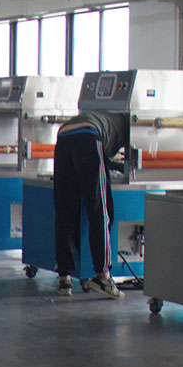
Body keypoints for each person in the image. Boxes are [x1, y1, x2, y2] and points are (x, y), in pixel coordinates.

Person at [53, 111, 129, 299]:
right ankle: (103, 276)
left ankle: (64, 278)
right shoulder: (129, 126)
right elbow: (108, 158)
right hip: (88, 134)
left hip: (63, 135)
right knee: (100, 208)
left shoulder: (108, 117)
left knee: (64, 210)